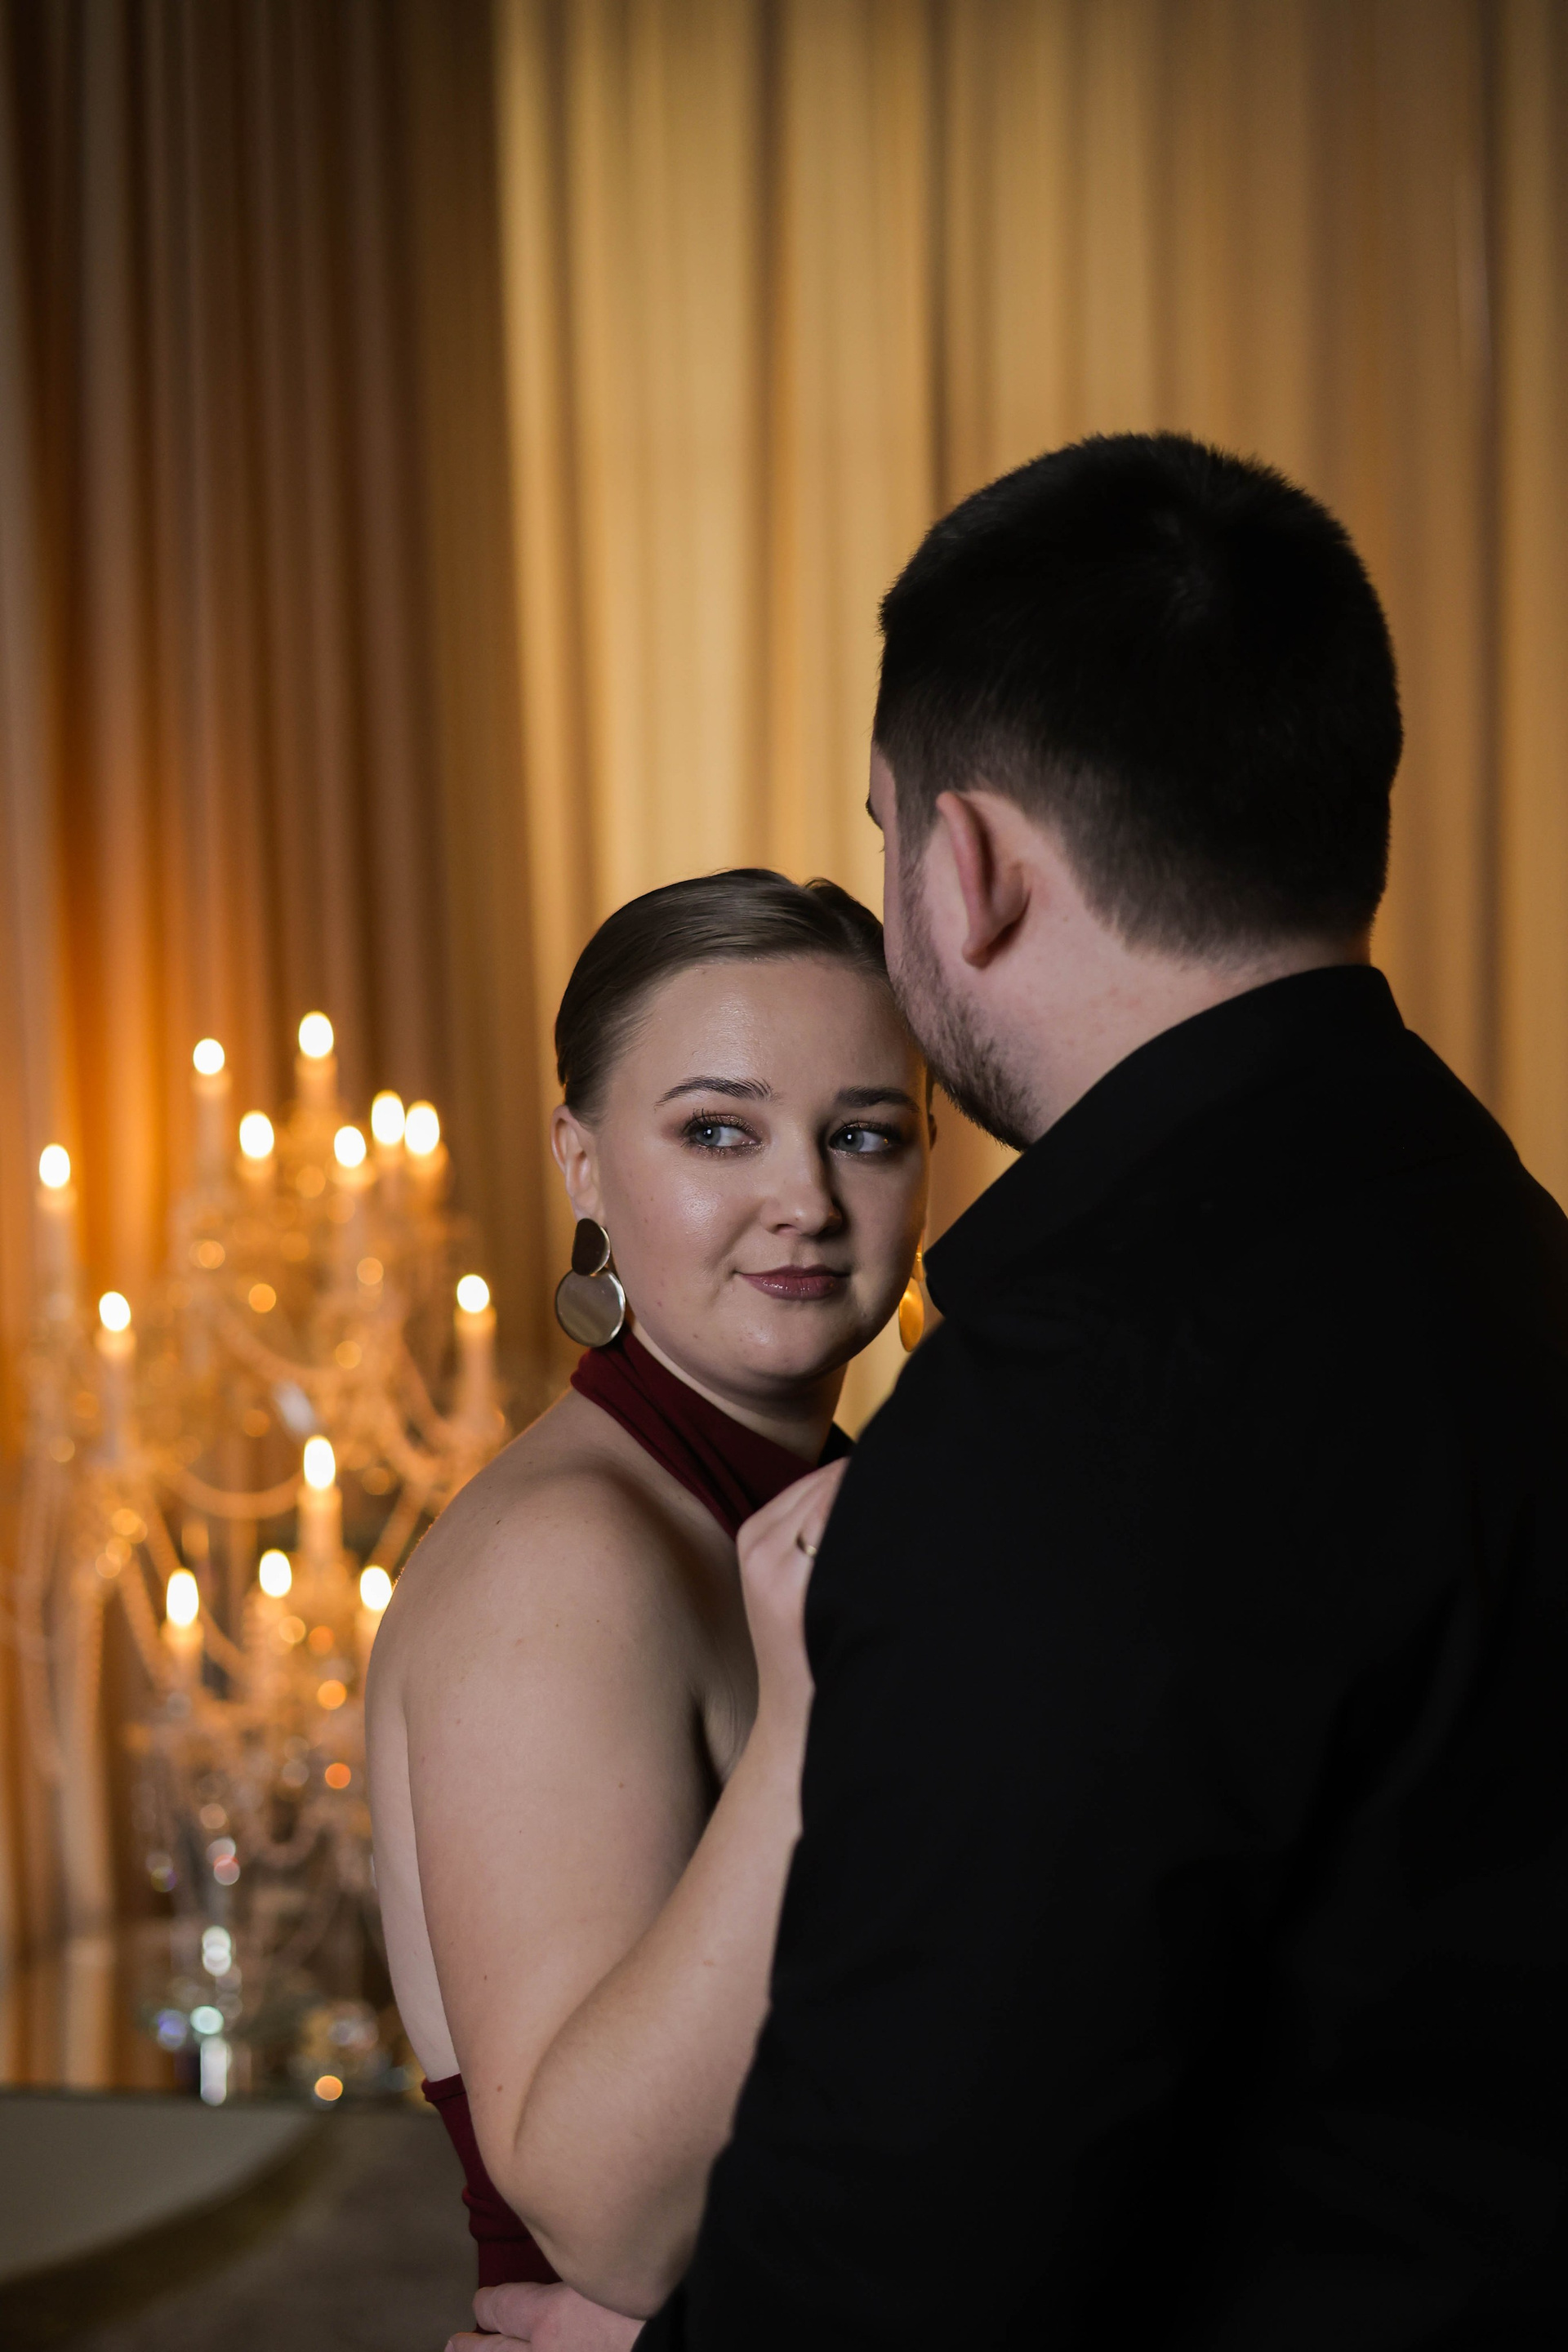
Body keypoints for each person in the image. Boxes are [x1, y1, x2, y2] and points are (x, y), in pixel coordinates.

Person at [555, 433, 1563, 2348]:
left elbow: (904, 2248)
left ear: (971, 865)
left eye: (883, 832)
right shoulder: (1507, 1245)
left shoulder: (1058, 1419)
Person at [364, 871, 931, 2349]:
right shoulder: (568, 1560)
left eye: (865, 1133)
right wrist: (813, 1731)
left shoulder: (837, 1512)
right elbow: (613, 2226)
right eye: (719, 1130)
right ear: (581, 1162)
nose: (805, 1201)